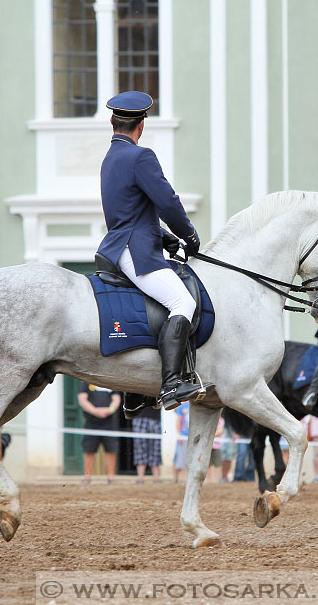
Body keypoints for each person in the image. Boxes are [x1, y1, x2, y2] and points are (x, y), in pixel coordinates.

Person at [96, 91, 211, 411]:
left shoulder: (110, 159)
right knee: (182, 302)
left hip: (122, 245)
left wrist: (162, 237)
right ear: (141, 126)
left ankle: (137, 387)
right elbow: (167, 201)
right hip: (135, 250)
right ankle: (172, 382)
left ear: (112, 122)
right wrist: (187, 234)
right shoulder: (140, 156)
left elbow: (127, 213)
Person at [78, 383, 121, 485]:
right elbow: (82, 399)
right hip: (91, 423)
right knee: (89, 451)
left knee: (111, 450)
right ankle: (87, 477)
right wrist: (94, 411)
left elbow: (116, 399)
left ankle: (111, 478)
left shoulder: (109, 383)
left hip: (109, 423)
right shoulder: (86, 383)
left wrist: (110, 410)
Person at [132, 404, 162, 483]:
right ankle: (140, 478)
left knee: (156, 448)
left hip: (155, 418)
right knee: (140, 447)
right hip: (140, 417)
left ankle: (156, 478)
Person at [173, 404, 189, 483]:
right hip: (183, 436)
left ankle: (185, 478)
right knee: (181, 458)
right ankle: (181, 478)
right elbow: (178, 421)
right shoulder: (182, 407)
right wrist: (179, 435)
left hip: (193, 436)